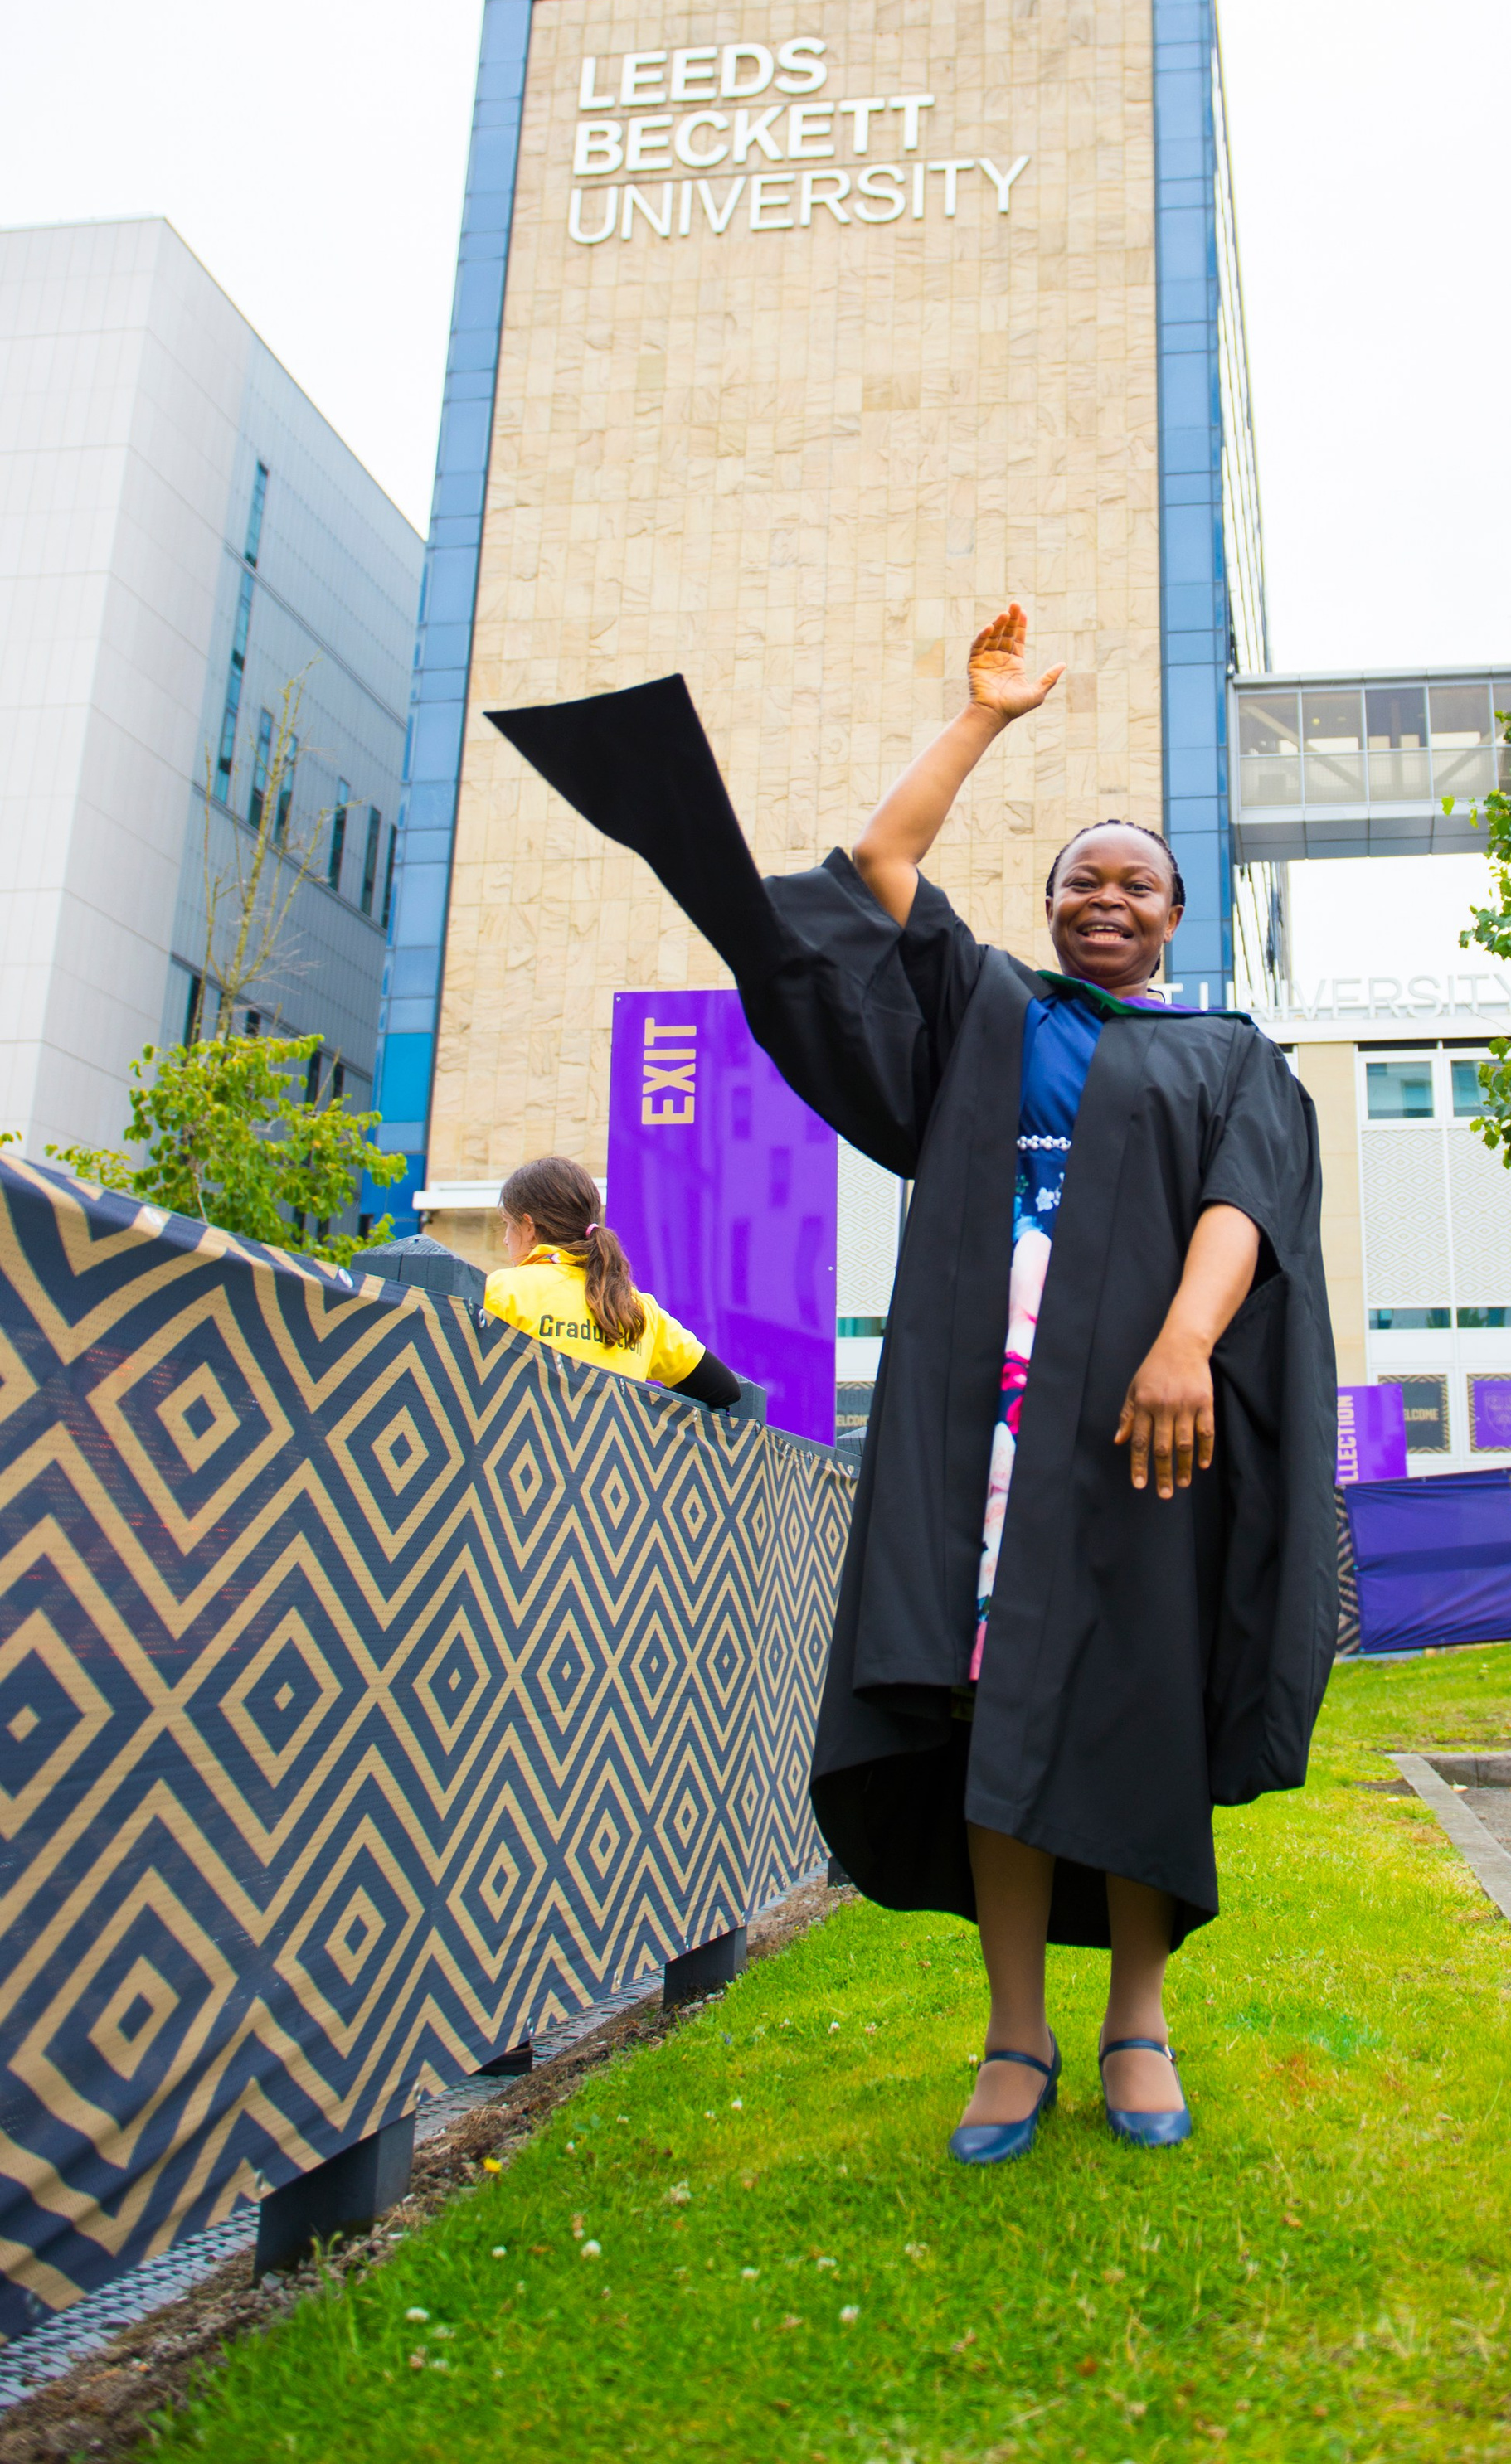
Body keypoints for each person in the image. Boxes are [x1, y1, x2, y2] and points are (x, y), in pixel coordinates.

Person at [487, 609, 1338, 2170]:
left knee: (1134, 1706)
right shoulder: (993, 1008)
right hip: (981, 1417)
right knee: (983, 1710)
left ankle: (1135, 2022)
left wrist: (1178, 1345)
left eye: (1135, 879)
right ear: (1051, 903)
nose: (1105, 894)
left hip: (1144, 1423)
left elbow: (1251, 1202)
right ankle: (1014, 2035)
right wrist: (984, 717)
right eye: (1083, 874)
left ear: (1174, 915)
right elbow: (876, 873)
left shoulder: (1227, 1049)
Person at [483, 1154, 744, 1415]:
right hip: (615, 1454)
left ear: (529, 1227)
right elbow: (724, 1389)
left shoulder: (506, 1289)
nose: (506, 1240)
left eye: (508, 1224)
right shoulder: (639, 1309)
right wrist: (640, 1415)